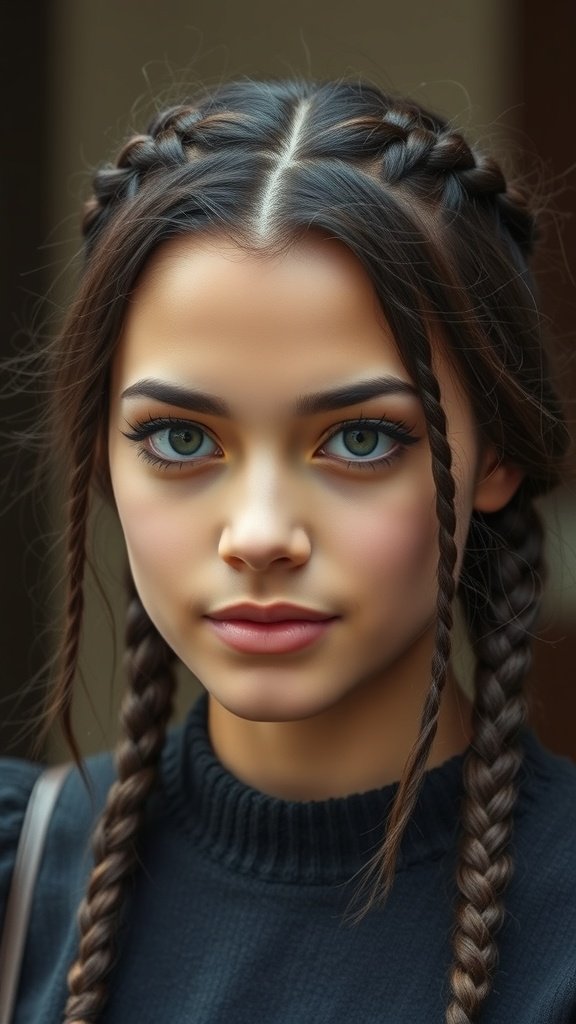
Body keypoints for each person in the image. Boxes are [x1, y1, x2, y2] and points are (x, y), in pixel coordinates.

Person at [1, 77, 575, 1024]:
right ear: (103, 452)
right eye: (182, 440)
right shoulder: (25, 884)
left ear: (498, 453)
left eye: (359, 439)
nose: (260, 534)